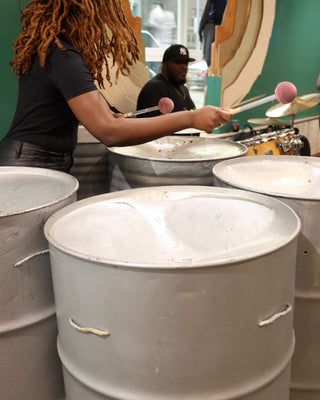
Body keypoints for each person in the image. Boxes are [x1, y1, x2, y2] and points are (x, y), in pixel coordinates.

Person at [0, 0, 231, 173]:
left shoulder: (52, 49)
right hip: (29, 162)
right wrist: (190, 118)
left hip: (32, 158)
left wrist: (105, 114)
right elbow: (108, 133)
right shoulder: (62, 55)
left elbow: (47, 111)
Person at [136, 44, 196, 118]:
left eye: (186, 63)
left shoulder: (184, 89)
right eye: (178, 62)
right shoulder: (154, 88)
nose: (184, 67)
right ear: (165, 64)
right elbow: (153, 126)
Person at [199, 0, 227, 67]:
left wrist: (199, 31)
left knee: (209, 59)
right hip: (225, 27)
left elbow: (206, 13)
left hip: (212, 26)